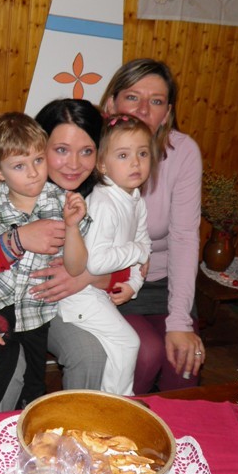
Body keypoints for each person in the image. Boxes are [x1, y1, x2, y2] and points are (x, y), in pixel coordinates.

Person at [41, 59, 205, 394]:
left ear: (167, 113)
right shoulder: (94, 151)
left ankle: (161, 425)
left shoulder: (183, 153)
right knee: (144, 353)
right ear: (111, 104)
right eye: (133, 97)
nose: (144, 109)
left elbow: (184, 238)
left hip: (157, 280)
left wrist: (180, 321)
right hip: (110, 284)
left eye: (156, 101)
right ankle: (118, 413)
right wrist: (107, 272)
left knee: (184, 364)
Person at [0, 99, 105, 409]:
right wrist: (18, 239)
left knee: (75, 360)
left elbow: (90, 262)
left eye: (86, 151)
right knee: (4, 360)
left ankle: (66, 428)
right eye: (61, 150)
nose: (74, 164)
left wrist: (80, 251)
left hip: (38, 303)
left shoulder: (66, 199)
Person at [58, 114, 154, 395]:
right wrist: (138, 252)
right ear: (102, 164)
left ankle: (110, 400)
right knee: (128, 343)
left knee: (119, 350)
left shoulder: (135, 199)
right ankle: (117, 402)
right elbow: (97, 262)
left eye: (143, 154)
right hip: (79, 298)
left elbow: (144, 244)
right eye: (123, 155)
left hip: (98, 294)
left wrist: (133, 284)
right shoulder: (104, 203)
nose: (135, 163)